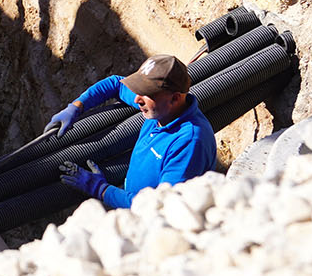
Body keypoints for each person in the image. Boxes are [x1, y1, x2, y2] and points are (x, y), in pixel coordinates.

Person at [44, 54, 217, 208]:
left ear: (175, 98)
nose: (136, 99)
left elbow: (160, 207)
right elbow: (115, 84)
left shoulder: (189, 144)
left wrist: (100, 189)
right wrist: (76, 107)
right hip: (129, 198)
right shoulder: (161, 110)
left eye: (146, 93)